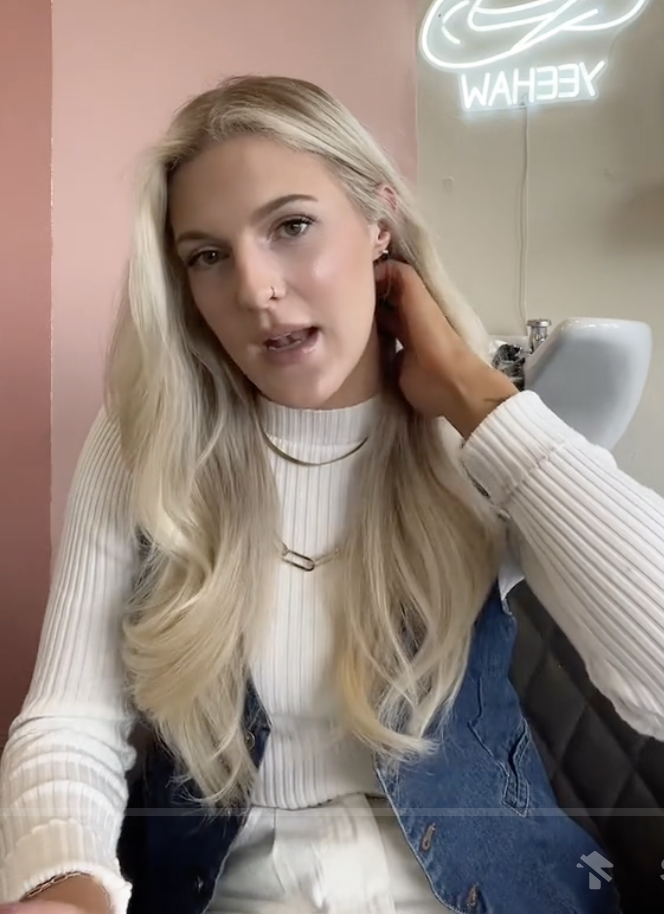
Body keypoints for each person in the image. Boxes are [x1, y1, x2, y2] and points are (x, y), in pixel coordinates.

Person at [1, 74, 663, 914]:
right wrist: (66, 887)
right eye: (208, 255)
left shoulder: (486, 431)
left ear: (379, 220)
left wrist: (475, 400)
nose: (254, 289)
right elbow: (70, 720)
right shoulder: (144, 440)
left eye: (291, 226)